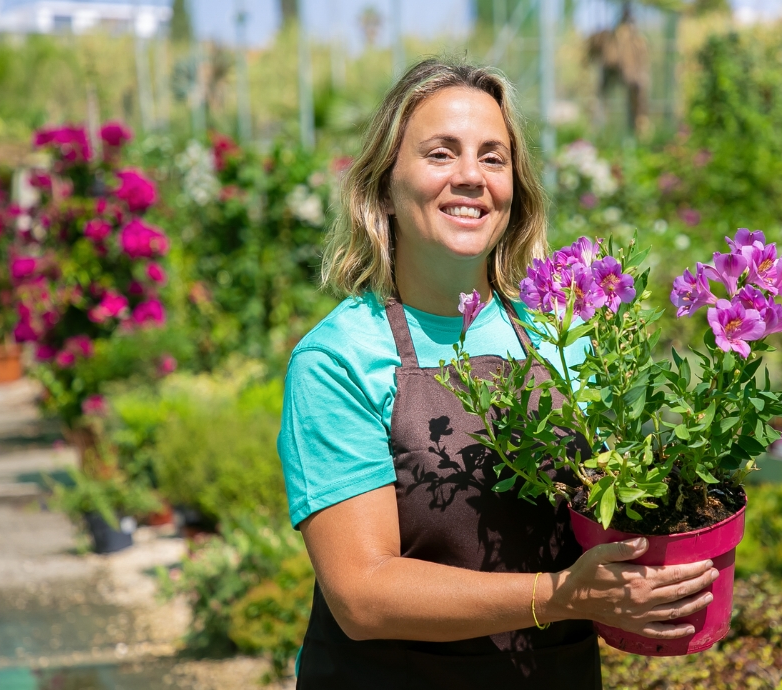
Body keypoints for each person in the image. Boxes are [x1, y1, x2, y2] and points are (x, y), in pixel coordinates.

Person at [277, 58, 718, 690]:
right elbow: (363, 594)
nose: (470, 177)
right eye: (439, 154)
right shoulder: (339, 358)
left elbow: (612, 504)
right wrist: (564, 595)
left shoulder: (562, 331)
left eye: (492, 157)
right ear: (383, 186)